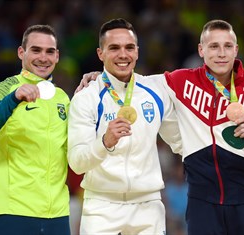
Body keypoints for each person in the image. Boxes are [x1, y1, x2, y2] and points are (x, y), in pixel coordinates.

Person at [78, 19, 244, 235]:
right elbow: (137, 81)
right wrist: (102, 77)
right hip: (203, 202)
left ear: (236, 50)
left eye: (227, 46)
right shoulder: (181, 81)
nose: (221, 53)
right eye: (213, 46)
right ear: (201, 50)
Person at [67, 18, 182, 235]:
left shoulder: (155, 91)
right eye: (114, 48)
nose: (123, 55)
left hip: (148, 205)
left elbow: (181, 142)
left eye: (129, 47)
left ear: (137, 52)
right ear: (100, 54)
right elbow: (77, 163)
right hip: (102, 205)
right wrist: (104, 142)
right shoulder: (86, 98)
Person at [0, 24, 71, 235]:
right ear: (21, 52)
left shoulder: (63, 98)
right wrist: (13, 98)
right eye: (36, 50)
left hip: (58, 216)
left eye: (49, 51)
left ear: (57, 56)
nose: (43, 58)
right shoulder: (2, 90)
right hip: (14, 213)